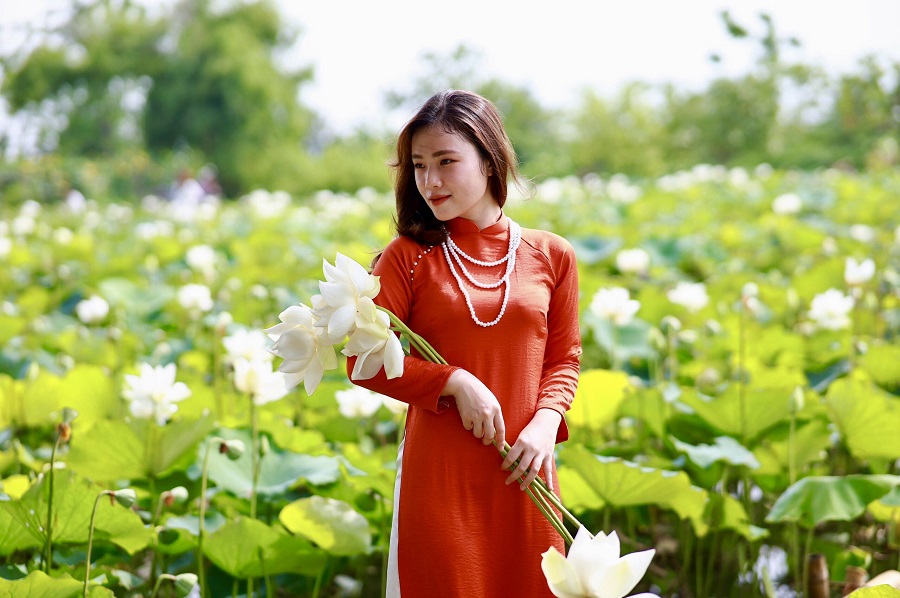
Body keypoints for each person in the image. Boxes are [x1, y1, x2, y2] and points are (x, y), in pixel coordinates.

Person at [346, 90, 581, 597]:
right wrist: (453, 381)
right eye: (418, 165)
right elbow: (362, 362)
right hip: (441, 477)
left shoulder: (552, 255)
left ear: (490, 160)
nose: (429, 181)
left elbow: (564, 359)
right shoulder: (407, 257)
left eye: (446, 162)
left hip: (525, 468)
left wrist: (545, 425)